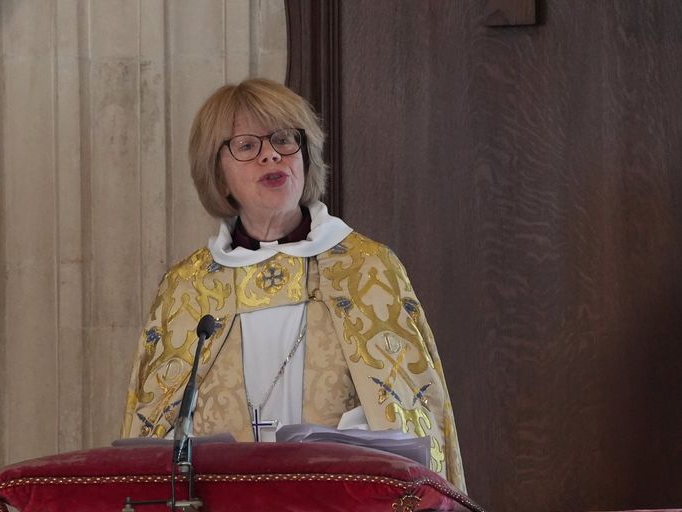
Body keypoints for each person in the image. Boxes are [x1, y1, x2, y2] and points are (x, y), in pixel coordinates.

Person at [120, 78, 466, 491]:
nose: (271, 154)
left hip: (341, 505)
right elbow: (154, 433)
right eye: (247, 146)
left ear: (305, 157)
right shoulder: (187, 289)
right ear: (219, 176)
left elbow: (409, 419)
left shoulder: (367, 270)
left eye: (284, 139)